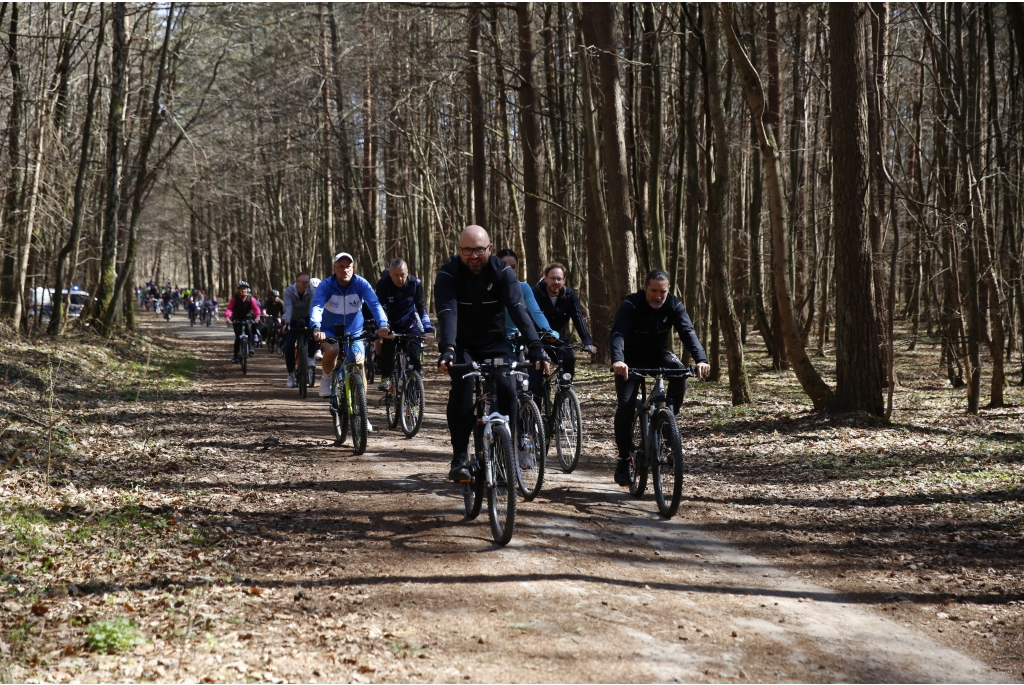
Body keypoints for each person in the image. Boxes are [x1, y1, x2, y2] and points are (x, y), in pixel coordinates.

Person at [435, 225, 548, 482]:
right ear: (459, 250)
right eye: (467, 251)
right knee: (463, 388)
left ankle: (504, 452)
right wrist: (448, 348)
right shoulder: (449, 273)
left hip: (495, 343)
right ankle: (460, 456)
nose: (473, 256)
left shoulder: (502, 271)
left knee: (508, 388)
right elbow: (447, 311)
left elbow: (518, 309)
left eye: (479, 250)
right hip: (461, 344)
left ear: (490, 248)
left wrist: (535, 346)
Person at [610, 269, 710, 486]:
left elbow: (688, 332)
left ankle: (667, 426)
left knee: (680, 374)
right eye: (653, 291)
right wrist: (618, 360)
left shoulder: (674, 304)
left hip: (658, 354)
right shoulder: (631, 304)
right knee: (626, 405)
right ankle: (624, 458)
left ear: (668, 290)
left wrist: (701, 359)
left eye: (662, 292)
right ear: (644, 287)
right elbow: (618, 333)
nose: (658, 296)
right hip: (629, 359)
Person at [311, 252, 390, 399]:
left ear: (353, 268)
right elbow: (317, 306)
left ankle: (361, 408)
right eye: (341, 266)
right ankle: (326, 377)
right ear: (335, 269)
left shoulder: (361, 283)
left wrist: (383, 325)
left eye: (348, 266)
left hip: (354, 331)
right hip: (329, 330)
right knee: (333, 350)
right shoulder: (326, 285)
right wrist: (316, 327)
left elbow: (374, 304)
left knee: (359, 363)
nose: (345, 270)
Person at [495, 248, 558, 403]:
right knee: (499, 389)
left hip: (517, 344)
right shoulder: (490, 288)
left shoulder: (523, 288)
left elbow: (536, 312)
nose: (509, 271)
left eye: (513, 267)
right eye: (505, 266)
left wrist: (549, 331)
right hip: (495, 343)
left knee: (522, 388)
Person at [374, 258, 435, 391]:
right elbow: (380, 308)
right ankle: (386, 377)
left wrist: (428, 329)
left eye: (402, 274)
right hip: (390, 324)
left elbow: (421, 308)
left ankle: (414, 388)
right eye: (396, 275)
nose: (400, 278)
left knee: (415, 355)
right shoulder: (383, 284)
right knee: (388, 346)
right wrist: (383, 327)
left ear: (407, 272)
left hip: (410, 325)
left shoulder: (415, 284)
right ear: (390, 274)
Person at [533, 262, 597, 379]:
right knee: (536, 373)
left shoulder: (570, 295)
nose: (556, 282)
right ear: (545, 278)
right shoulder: (534, 294)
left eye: (559, 279)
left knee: (569, 359)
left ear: (564, 280)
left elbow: (578, 318)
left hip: (558, 338)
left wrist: (587, 342)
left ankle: (565, 388)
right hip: (536, 339)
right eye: (552, 278)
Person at [281, 272, 317, 388]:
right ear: (297, 282)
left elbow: (312, 307)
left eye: (307, 282)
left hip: (307, 318)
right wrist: (287, 323)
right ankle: (290, 373)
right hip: (292, 319)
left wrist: (314, 323)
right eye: (303, 282)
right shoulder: (289, 291)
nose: (305, 285)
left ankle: (310, 357)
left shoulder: (312, 291)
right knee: (289, 345)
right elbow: (288, 307)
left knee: (315, 334)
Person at [225, 281, 263, 363]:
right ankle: (235, 355)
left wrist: (257, 316)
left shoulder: (251, 298)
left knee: (249, 330)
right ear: (239, 290)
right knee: (238, 337)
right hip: (237, 318)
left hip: (247, 318)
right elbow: (229, 308)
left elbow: (256, 308)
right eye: (242, 289)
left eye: (245, 289)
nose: (244, 290)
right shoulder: (235, 298)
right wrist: (227, 317)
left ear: (247, 290)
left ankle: (250, 347)